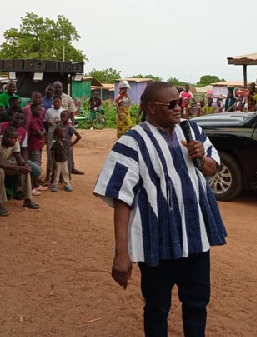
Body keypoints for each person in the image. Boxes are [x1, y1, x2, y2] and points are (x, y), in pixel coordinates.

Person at [93, 82, 227, 336]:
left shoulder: (192, 130)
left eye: (181, 103)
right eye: (173, 104)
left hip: (195, 239)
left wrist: (202, 158)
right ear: (152, 108)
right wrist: (121, 254)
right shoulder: (132, 142)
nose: (179, 108)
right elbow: (121, 199)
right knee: (156, 309)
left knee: (197, 305)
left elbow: (213, 169)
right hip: (156, 241)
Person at [0, 126, 39, 216]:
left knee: (25, 171)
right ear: (4, 137)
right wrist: (17, 168)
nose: (13, 140)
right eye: (11, 138)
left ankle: (28, 199)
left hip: (4, 162)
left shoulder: (15, 142)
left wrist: (24, 165)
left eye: (15, 138)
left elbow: (19, 158)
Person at [0, 111, 42, 197]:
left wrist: (24, 164)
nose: (19, 120)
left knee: (35, 170)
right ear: (12, 117)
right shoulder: (0, 127)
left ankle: (26, 197)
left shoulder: (23, 132)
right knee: (1, 171)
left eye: (21, 118)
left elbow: (23, 150)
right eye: (16, 118)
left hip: (12, 159)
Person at [45, 96, 65, 181]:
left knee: (60, 153)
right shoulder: (49, 111)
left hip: (60, 135)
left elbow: (67, 122)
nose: (57, 103)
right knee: (50, 153)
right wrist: (48, 122)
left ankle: (60, 175)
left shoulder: (63, 111)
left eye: (58, 102)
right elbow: (45, 121)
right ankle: (48, 174)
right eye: (55, 102)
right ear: (52, 102)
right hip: (51, 133)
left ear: (61, 102)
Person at [60, 110, 82, 186]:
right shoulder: (59, 126)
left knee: (68, 163)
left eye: (64, 117)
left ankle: (68, 177)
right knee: (60, 162)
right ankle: (61, 177)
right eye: (61, 116)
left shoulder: (70, 127)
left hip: (67, 147)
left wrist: (72, 144)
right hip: (60, 147)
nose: (62, 118)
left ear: (68, 118)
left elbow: (79, 136)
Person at [49, 125, 71, 192]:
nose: (65, 134)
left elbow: (68, 149)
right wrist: (54, 162)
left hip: (64, 161)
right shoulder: (54, 143)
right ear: (58, 134)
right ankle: (55, 185)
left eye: (65, 132)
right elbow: (52, 153)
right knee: (56, 174)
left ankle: (67, 185)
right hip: (57, 161)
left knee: (66, 173)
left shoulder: (64, 142)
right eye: (63, 132)